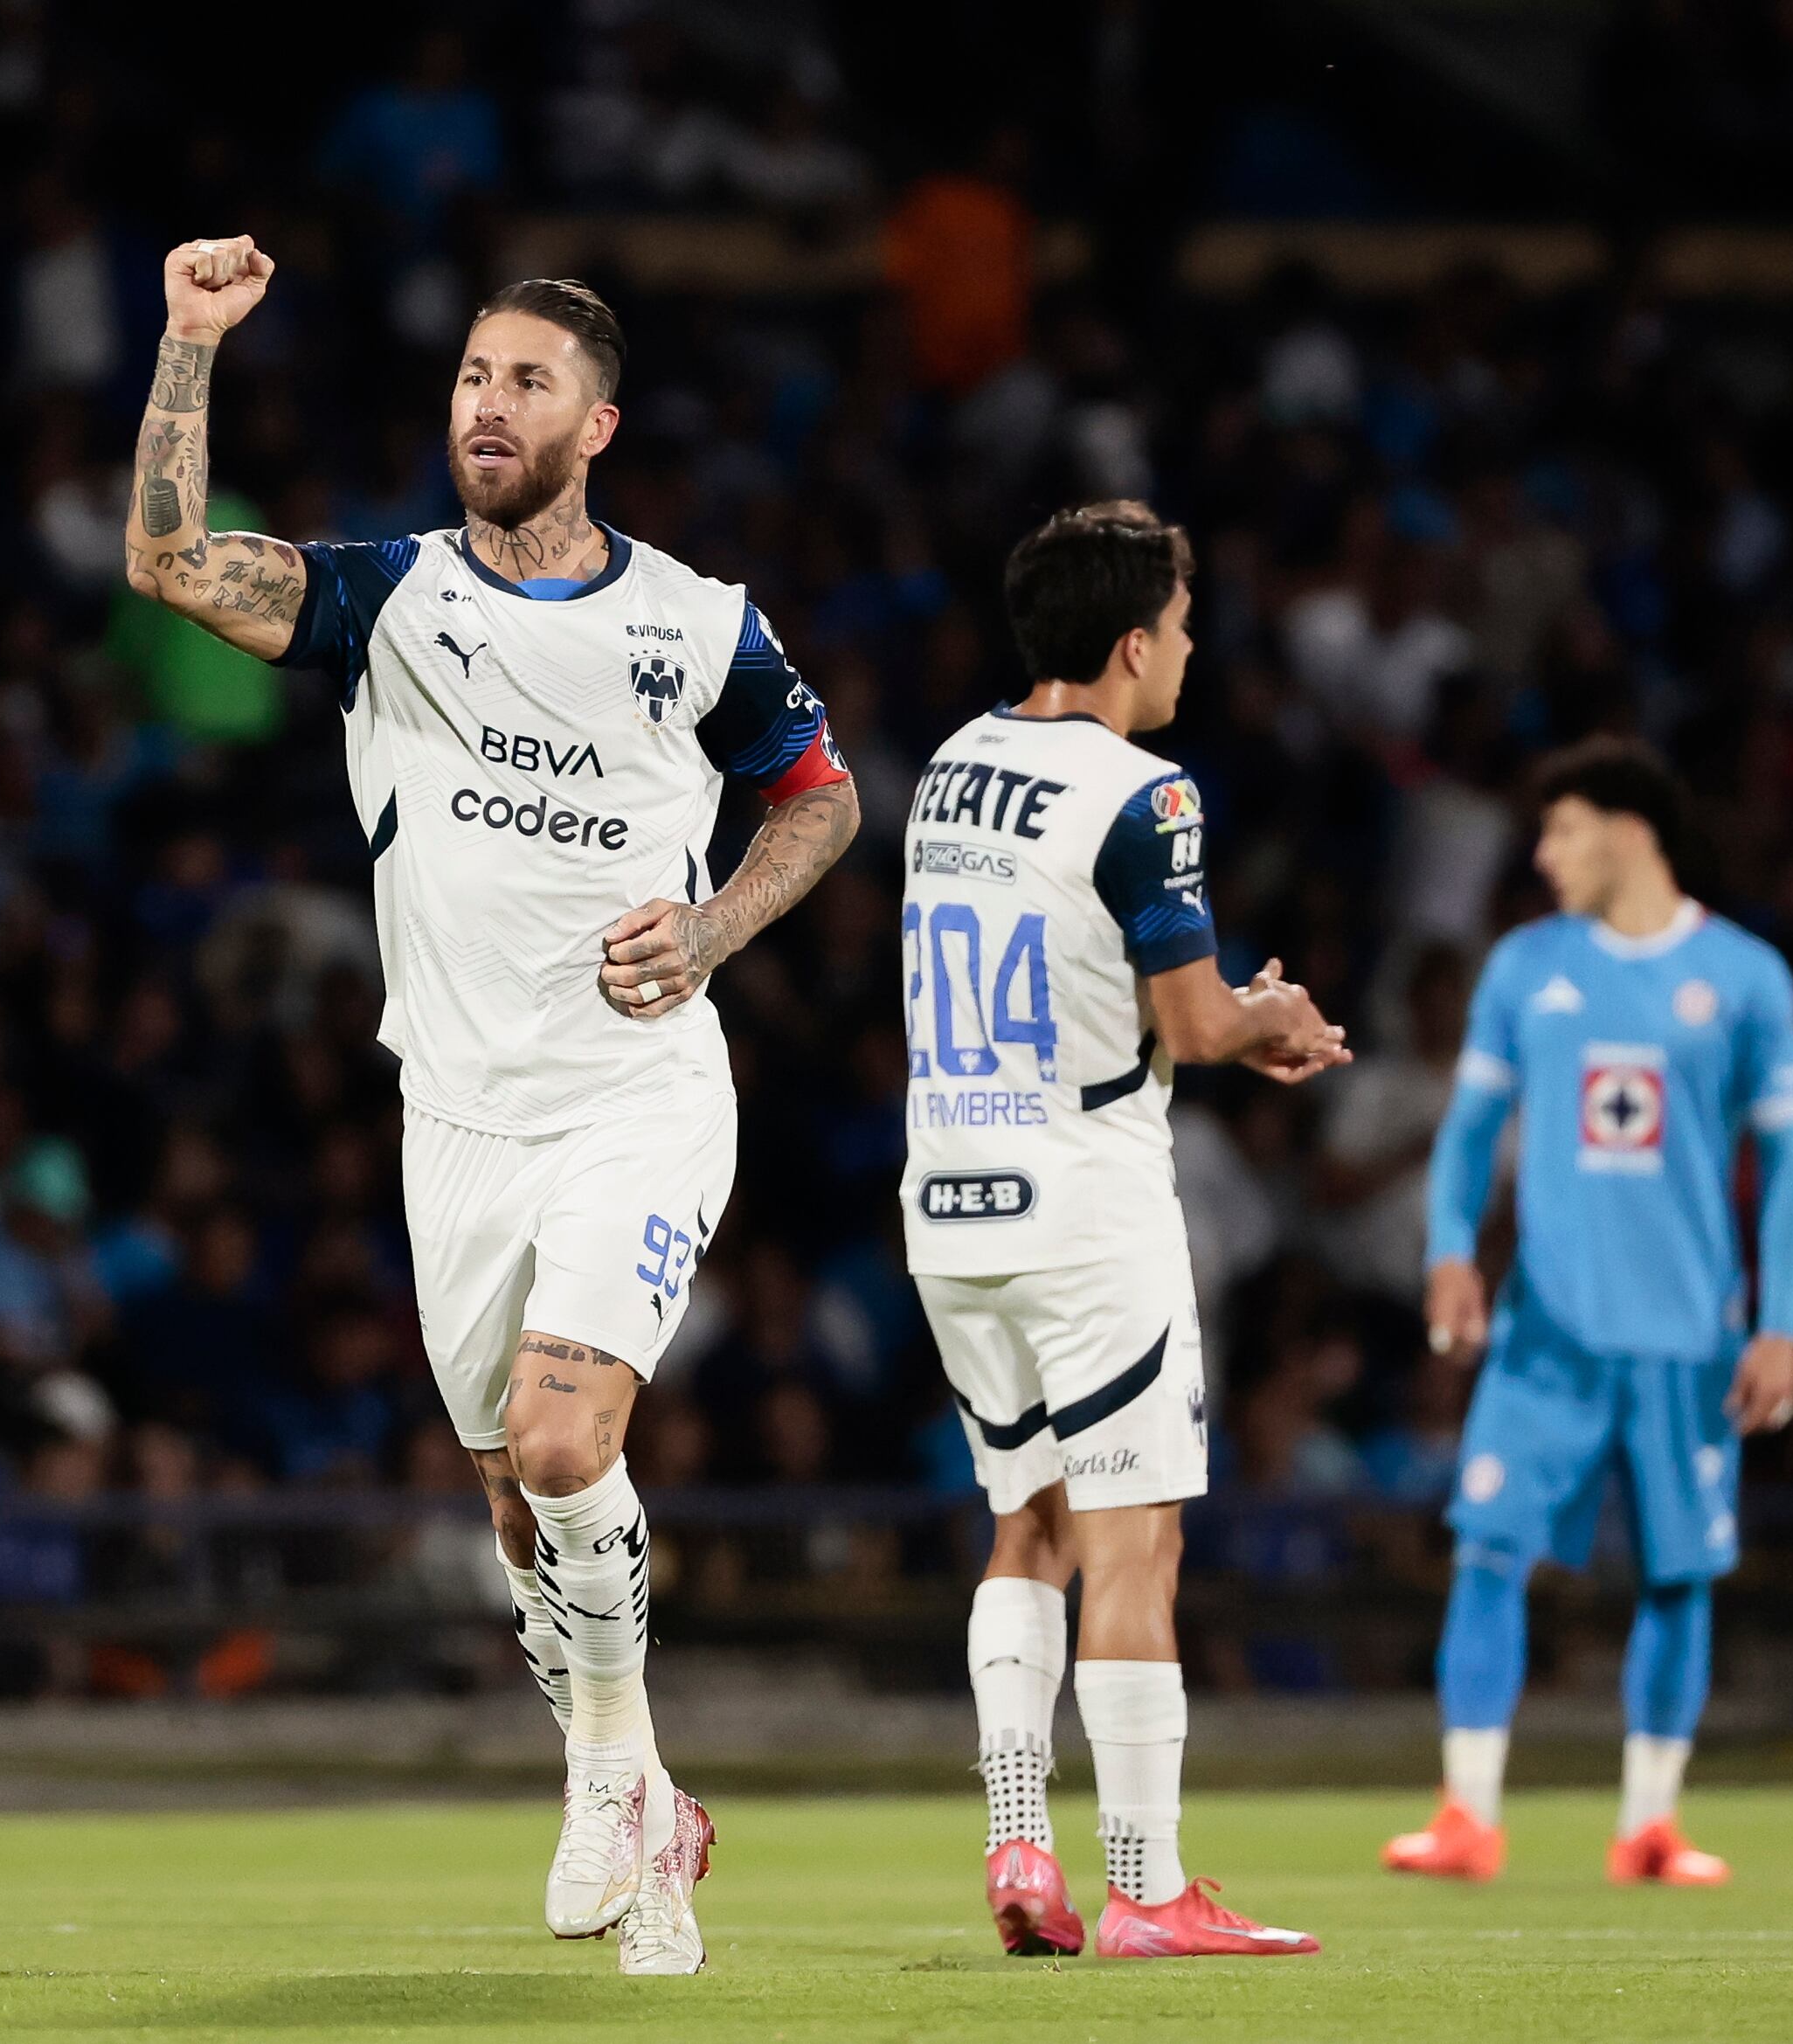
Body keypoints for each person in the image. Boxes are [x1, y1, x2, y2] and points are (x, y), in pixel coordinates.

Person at [121, 239, 861, 1974]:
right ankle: (653, 1801)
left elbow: (816, 804)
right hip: (450, 1121)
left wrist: (714, 925)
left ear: (595, 423)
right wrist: (185, 342)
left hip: (637, 1095)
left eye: (524, 383)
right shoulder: (388, 599)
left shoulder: (698, 624)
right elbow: (161, 561)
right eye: (470, 377)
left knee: (557, 1442)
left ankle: (602, 1770)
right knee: (521, 1524)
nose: (485, 405)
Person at [903, 502, 1345, 1962]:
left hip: (949, 1205)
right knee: (1134, 1537)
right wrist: (1268, 1019)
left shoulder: (951, 770)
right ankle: (1149, 1893)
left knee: (1021, 1523)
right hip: (1087, 1209)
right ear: (1131, 640)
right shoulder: (1145, 793)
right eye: (1184, 618)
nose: (1193, 646)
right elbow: (1195, 1021)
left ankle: (1019, 1838)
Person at [1387, 738, 1793, 1886]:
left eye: (1564, 830)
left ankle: (1651, 1825)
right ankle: (1466, 1816)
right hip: (1547, 1335)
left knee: (1679, 1575)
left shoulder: (1744, 978)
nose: (1543, 853)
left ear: (1630, 833)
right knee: (1486, 1550)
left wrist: (1783, 1325)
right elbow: (1470, 1135)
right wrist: (1448, 1254)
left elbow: (1790, 1169)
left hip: (1691, 1337)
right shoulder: (1527, 968)